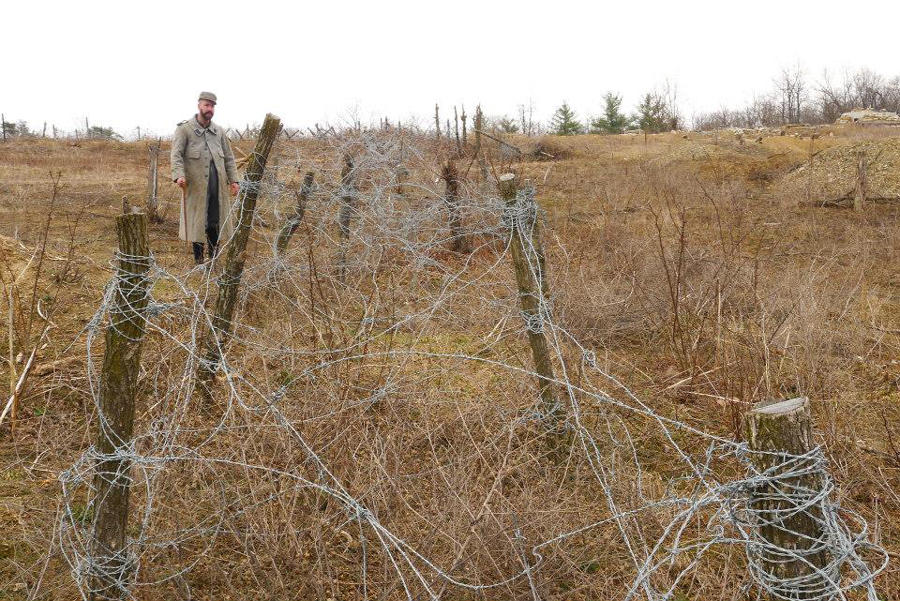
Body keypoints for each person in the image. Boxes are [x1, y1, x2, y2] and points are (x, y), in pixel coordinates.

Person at [171, 92, 240, 265]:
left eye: (212, 106)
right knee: (197, 221)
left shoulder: (219, 132)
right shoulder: (184, 129)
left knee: (214, 221)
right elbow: (176, 155)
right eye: (206, 105)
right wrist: (179, 175)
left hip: (217, 186)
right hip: (195, 186)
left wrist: (234, 180)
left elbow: (229, 158)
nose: (210, 109)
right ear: (199, 105)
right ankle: (199, 262)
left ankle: (213, 260)